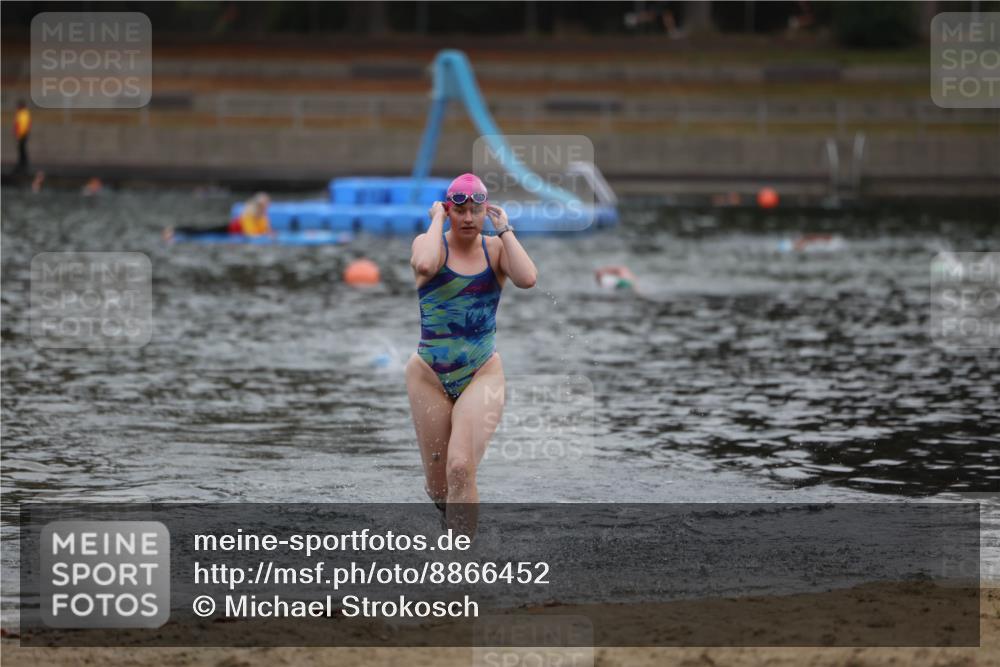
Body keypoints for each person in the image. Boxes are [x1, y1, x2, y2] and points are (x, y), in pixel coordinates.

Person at [405, 173, 537, 535]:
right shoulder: (429, 243)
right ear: (448, 211)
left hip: (482, 373)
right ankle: (454, 541)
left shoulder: (495, 250)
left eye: (475, 211)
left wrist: (506, 230)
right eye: (459, 210)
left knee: (461, 467)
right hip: (428, 376)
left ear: (484, 212)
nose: (467, 218)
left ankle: (464, 566)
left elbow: (527, 279)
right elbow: (426, 266)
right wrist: (435, 220)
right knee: (439, 489)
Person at [164, 192, 272, 241]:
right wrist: (264, 234)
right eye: (265, 204)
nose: (267, 206)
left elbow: (263, 228)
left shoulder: (262, 216)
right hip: (227, 229)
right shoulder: (250, 214)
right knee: (202, 230)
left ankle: (176, 230)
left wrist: (267, 233)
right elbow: (251, 232)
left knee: (202, 229)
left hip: (232, 230)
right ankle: (175, 230)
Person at [13, 100, 31, 176]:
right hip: (24, 133)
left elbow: (17, 125)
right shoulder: (26, 113)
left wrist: (17, 134)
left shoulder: (20, 113)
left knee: (21, 148)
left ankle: (22, 162)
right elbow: (28, 124)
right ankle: (23, 162)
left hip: (21, 134)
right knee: (22, 148)